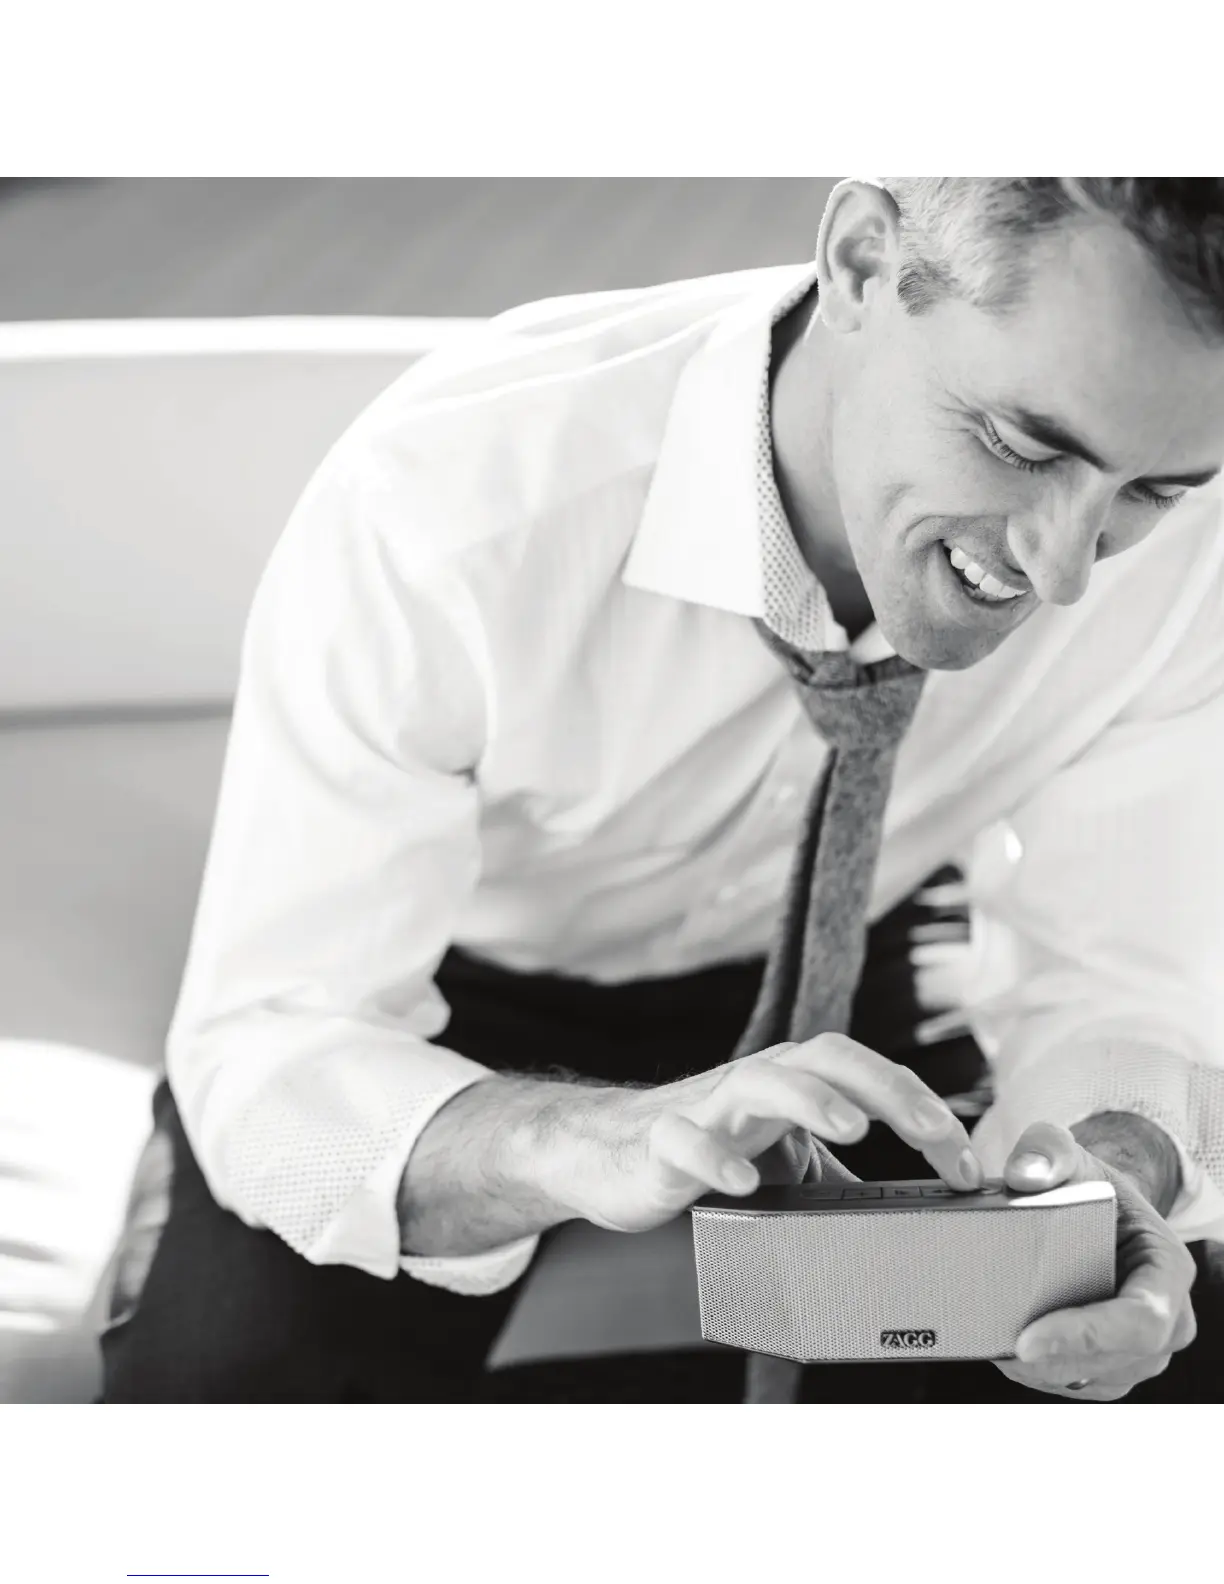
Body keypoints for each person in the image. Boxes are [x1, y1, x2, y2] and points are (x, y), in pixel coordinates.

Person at [101, 178, 1224, 1404]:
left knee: (1163, 1336)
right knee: (223, 1387)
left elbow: (1123, 978)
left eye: (1154, 490)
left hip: (876, 967)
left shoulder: (1196, 561)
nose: (1064, 571)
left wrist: (1115, 1170)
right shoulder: (447, 500)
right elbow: (277, 1033)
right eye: (1022, 445)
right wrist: (597, 1140)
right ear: (862, 264)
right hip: (460, 988)